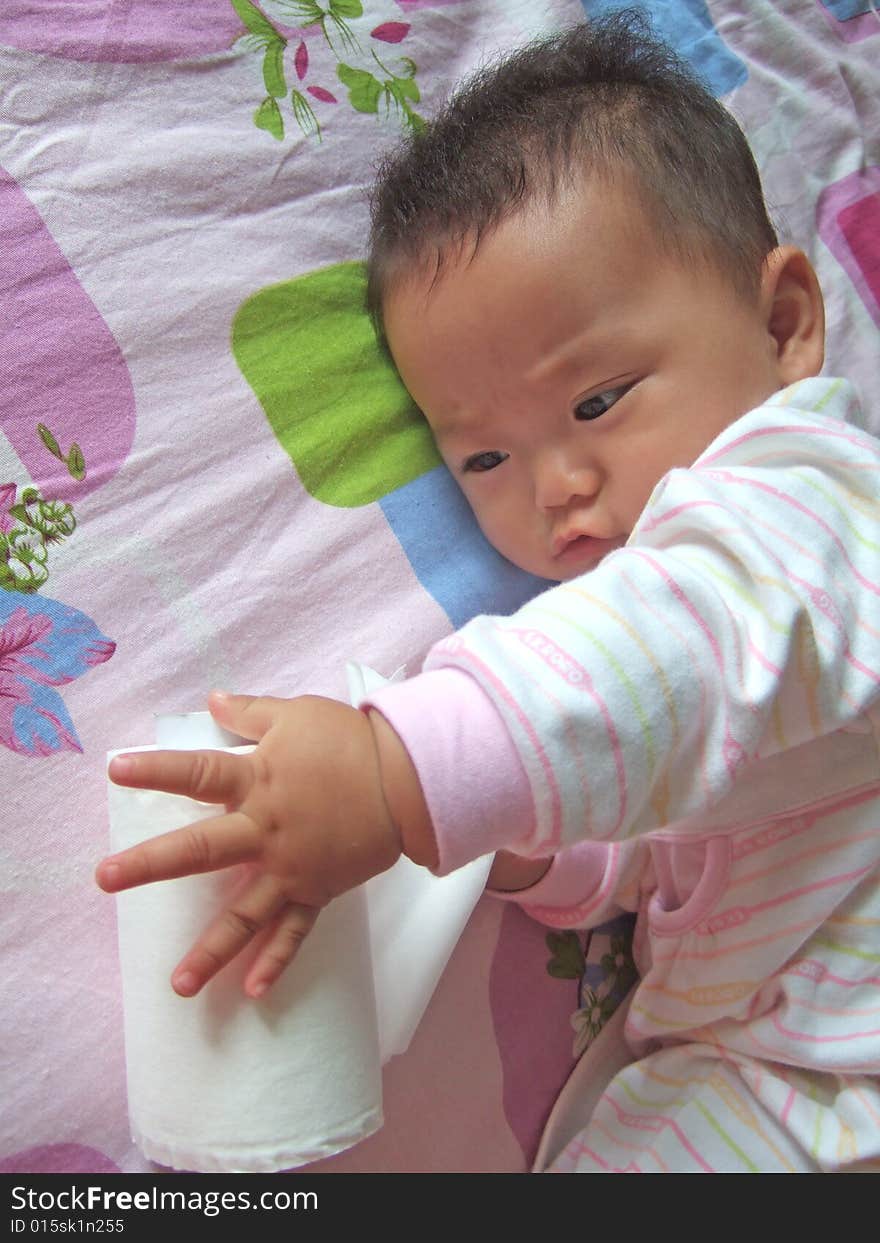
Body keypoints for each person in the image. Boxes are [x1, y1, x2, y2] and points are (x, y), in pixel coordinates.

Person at [96, 12, 880, 1171]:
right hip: (768, 1060)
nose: (557, 487)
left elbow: (683, 651)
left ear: (781, 324)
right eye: (484, 460)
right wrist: (514, 849)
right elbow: (656, 806)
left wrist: (397, 770)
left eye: (600, 401)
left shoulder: (810, 509)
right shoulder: (644, 671)